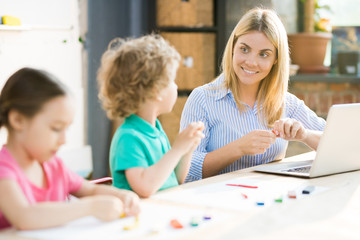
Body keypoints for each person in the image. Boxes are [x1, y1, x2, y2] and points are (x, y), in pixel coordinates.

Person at [180, 8, 326, 182]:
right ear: (233, 46)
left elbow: (338, 142)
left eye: (264, 54)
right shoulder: (203, 99)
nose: (251, 62)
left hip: (269, 201)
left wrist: (305, 135)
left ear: (276, 60)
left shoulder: (286, 102)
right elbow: (186, 172)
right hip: (218, 202)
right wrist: (238, 148)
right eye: (244, 49)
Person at [0, 68, 140, 230]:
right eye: (56, 128)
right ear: (18, 120)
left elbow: (91, 190)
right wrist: (90, 207)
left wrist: (123, 196)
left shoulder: (55, 166)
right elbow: (25, 216)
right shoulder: (4, 170)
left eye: (66, 129)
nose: (64, 140)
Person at [97, 35, 204, 198]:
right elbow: (145, 187)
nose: (176, 86)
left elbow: (176, 178)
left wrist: (188, 149)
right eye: (172, 81)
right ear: (156, 90)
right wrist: (177, 149)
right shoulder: (128, 137)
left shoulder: (156, 131)